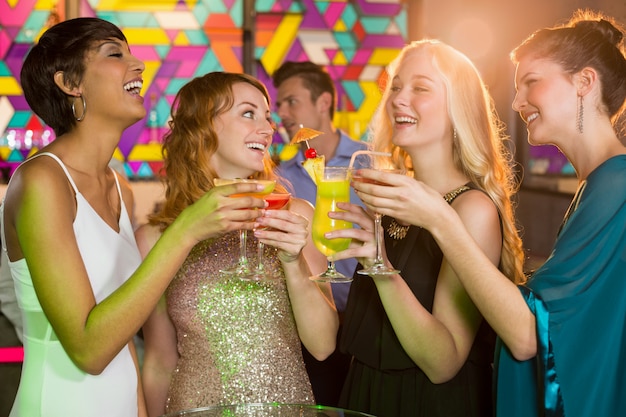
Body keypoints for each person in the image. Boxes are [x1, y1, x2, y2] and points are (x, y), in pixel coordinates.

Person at [351, 10, 626, 417]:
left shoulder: (615, 185)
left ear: (585, 82)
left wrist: (440, 220)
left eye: (532, 82)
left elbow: (527, 335)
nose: (516, 103)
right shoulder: (600, 184)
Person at [0, 18, 254, 417]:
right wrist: (185, 230)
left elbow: (124, 332)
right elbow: (90, 349)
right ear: (70, 83)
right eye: (115, 54)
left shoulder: (120, 187)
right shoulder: (41, 181)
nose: (138, 65)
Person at [328, 39, 526, 417]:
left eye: (421, 88)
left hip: (428, 404)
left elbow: (443, 363)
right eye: (396, 86)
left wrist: (378, 264)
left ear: (459, 108)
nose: (399, 98)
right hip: (364, 395)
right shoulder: (389, 200)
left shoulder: (472, 209)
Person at [136, 72, 339, 416]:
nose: (269, 128)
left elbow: (323, 346)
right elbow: (159, 360)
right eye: (248, 113)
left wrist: (293, 261)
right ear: (203, 126)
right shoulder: (155, 237)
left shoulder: (294, 214)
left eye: (268, 117)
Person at [272, 60, 366, 406]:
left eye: (291, 101)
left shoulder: (367, 163)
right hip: (310, 328)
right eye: (278, 104)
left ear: (323, 102)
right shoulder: (280, 178)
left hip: (367, 321)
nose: (281, 112)